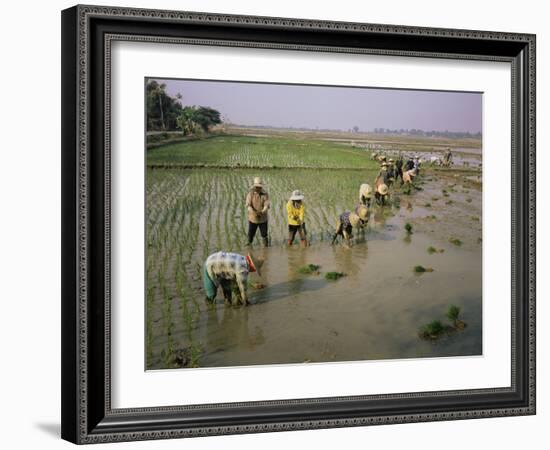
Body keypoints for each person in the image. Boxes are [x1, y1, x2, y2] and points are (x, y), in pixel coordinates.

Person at [245, 177, 270, 247]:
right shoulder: (250, 194)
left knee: (264, 234)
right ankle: (249, 246)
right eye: (257, 187)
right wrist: (253, 212)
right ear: (254, 187)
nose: (258, 188)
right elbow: (248, 206)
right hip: (253, 218)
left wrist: (263, 211)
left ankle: (266, 248)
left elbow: (266, 205)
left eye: (259, 187)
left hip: (263, 218)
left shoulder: (265, 194)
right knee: (250, 234)